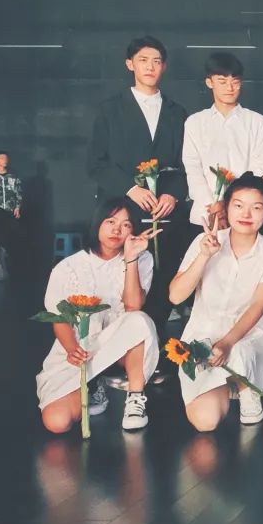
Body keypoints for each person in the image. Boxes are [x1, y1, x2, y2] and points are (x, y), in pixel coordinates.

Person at [87, 36, 189, 365]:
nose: (150, 67)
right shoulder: (109, 109)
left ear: (164, 67)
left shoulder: (177, 112)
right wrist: (130, 189)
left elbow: (186, 163)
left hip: (164, 210)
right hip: (123, 210)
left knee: (162, 277)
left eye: (157, 61)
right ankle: (115, 357)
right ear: (130, 64)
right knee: (121, 281)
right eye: (143, 60)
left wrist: (173, 193)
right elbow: (96, 163)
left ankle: (151, 356)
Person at [170, 174, 263, 431]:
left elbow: (258, 305)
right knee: (205, 422)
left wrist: (227, 343)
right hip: (204, 338)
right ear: (227, 208)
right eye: (238, 205)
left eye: (256, 207)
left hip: (247, 337)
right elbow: (175, 296)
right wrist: (203, 256)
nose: (246, 214)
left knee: (241, 351)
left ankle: (246, 389)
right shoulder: (204, 242)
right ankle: (227, 383)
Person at [36, 199, 159, 433]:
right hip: (79, 351)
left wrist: (131, 258)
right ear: (97, 223)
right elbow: (58, 318)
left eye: (126, 225)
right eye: (111, 222)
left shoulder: (142, 258)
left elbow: (133, 305)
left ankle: (135, 399)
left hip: (119, 348)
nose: (117, 230)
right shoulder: (68, 267)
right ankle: (93, 383)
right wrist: (72, 349)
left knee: (140, 321)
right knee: (57, 422)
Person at [182, 52, 263, 233]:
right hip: (206, 213)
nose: (229, 88)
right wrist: (214, 205)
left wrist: (231, 203)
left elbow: (259, 166)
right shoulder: (195, 122)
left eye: (235, 82)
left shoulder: (257, 121)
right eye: (222, 81)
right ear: (209, 82)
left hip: (247, 214)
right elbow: (192, 168)